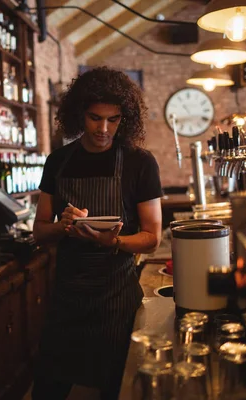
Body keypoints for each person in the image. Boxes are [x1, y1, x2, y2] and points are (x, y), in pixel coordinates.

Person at [31, 66, 163, 400]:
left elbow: (152, 237)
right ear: (78, 115)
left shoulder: (140, 163)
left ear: (125, 119)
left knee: (115, 387)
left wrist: (114, 241)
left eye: (113, 120)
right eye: (94, 118)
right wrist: (64, 226)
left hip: (115, 296)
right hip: (67, 296)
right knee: (48, 387)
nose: (103, 129)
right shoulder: (58, 162)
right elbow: (39, 232)